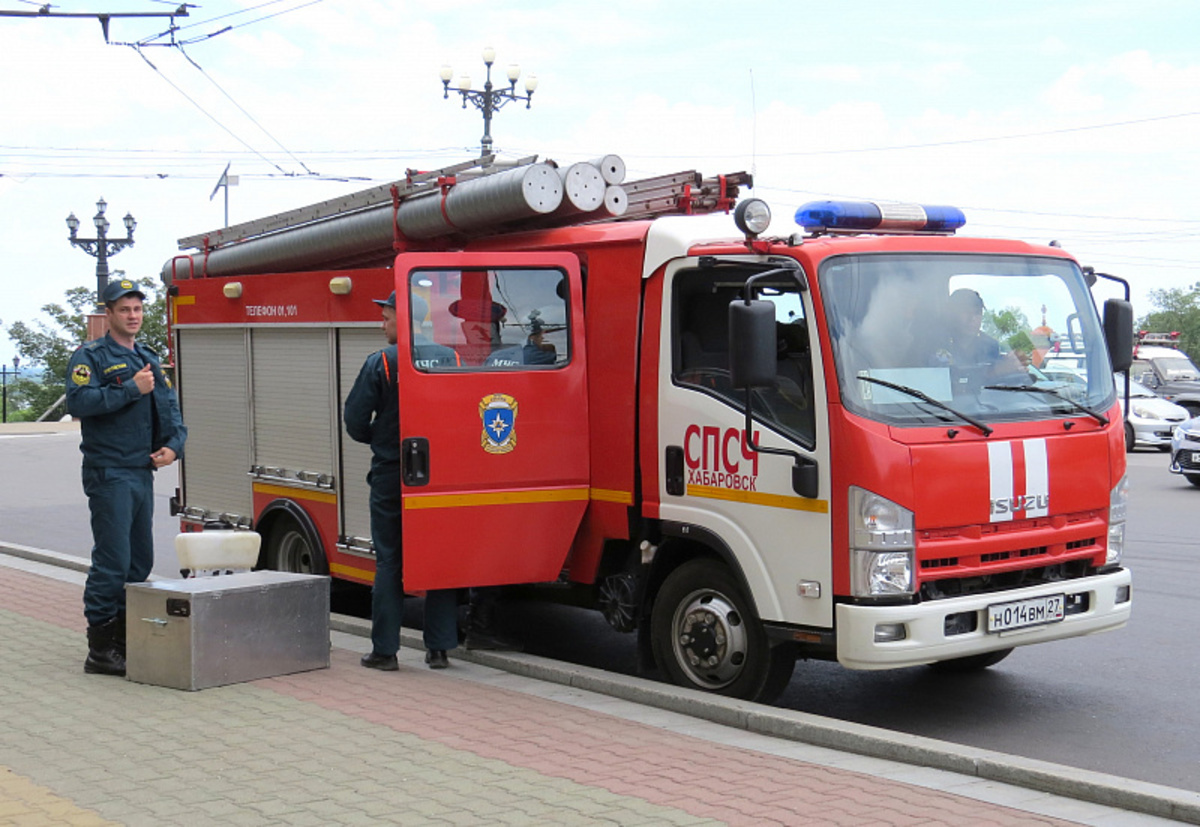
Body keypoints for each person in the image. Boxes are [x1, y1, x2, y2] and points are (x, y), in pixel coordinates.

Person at [66, 278, 187, 676]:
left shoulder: (147, 358)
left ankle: (123, 641)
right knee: (113, 562)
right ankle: (100, 651)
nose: (133, 316)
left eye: (137, 309)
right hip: (109, 471)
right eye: (124, 310)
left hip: (140, 471)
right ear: (109, 314)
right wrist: (130, 390)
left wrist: (174, 445)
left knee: (139, 562)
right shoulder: (92, 356)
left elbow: (169, 409)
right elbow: (79, 401)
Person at [344, 290, 459, 671]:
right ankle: (439, 649)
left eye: (388, 316)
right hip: (440, 476)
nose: (383, 323)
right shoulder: (452, 358)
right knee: (441, 558)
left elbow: (355, 422)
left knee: (390, 560)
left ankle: (385, 652)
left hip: (394, 474)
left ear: (405, 320)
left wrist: (382, 435)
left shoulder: (382, 363)